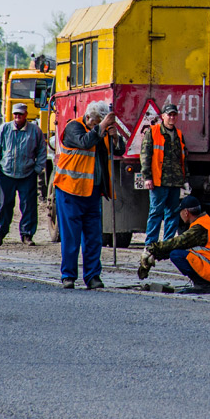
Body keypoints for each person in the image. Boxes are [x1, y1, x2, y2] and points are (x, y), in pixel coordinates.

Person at [53, 101, 123, 289]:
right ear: (89, 117)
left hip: (93, 192)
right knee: (71, 237)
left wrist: (116, 138)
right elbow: (85, 142)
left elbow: (118, 151)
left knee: (94, 237)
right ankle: (68, 275)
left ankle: (93, 276)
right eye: (95, 123)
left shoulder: (102, 129)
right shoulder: (73, 127)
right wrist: (101, 127)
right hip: (70, 191)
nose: (97, 127)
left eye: (100, 124)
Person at [137, 193, 210, 294]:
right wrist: (156, 255)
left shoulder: (200, 228)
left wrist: (152, 249)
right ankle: (204, 283)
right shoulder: (203, 222)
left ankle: (203, 285)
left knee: (176, 255)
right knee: (178, 252)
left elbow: (177, 242)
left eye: (180, 212)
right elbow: (181, 246)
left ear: (186, 212)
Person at [0, 102, 47, 247]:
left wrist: (38, 169)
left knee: (28, 206)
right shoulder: (4, 129)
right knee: (5, 205)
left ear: (26, 115)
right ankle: (0, 234)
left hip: (27, 174)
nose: (17, 117)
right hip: (6, 173)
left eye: (20, 114)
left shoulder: (35, 131)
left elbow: (41, 151)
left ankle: (27, 234)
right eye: (15, 114)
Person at [142, 103, 187, 254]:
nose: (172, 117)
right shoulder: (153, 132)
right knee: (156, 212)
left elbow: (183, 158)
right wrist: (147, 177)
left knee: (173, 213)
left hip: (175, 181)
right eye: (169, 114)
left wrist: (185, 179)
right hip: (158, 180)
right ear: (163, 116)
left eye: (174, 115)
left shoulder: (179, 134)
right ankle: (150, 244)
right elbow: (146, 155)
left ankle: (167, 245)